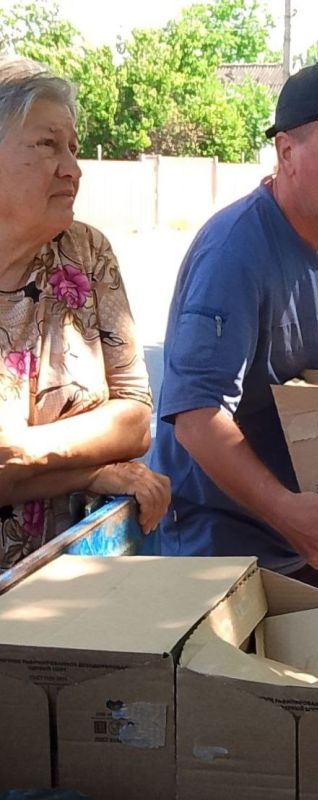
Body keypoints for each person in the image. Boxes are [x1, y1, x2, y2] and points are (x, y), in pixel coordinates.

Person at [150, 61, 318, 596]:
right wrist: (288, 512)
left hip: (316, 531)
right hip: (218, 547)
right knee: (243, 683)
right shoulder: (234, 252)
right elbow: (197, 420)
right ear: (287, 153)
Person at [0, 57, 170, 570]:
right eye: (48, 145)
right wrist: (89, 470)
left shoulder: (86, 254)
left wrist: (31, 450)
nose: (73, 168)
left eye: (72, 148)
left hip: (76, 575)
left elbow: (136, 417)